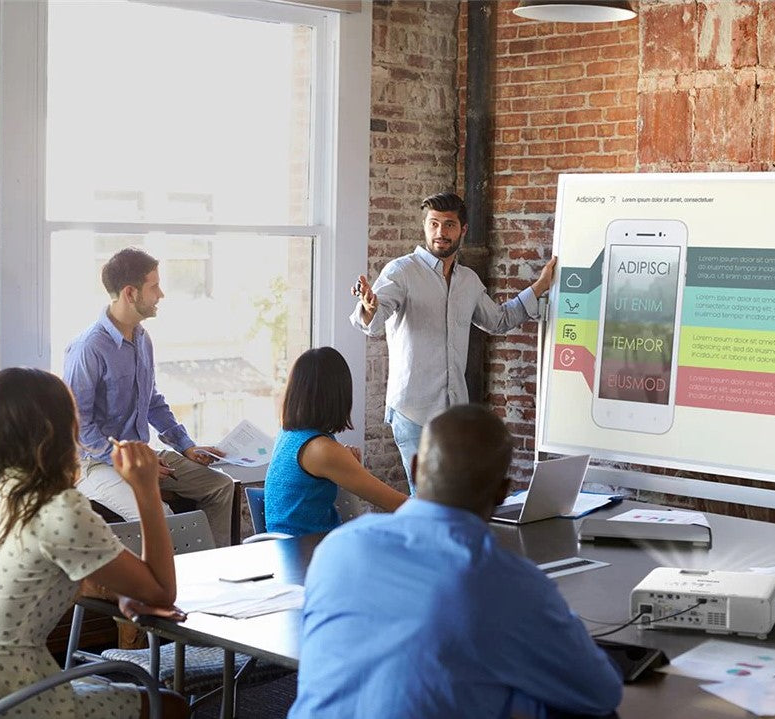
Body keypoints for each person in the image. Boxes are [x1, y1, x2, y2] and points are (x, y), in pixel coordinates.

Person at [289, 404, 623, 719]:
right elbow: (601, 692)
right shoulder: (507, 583)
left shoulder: (339, 547)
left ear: (416, 468)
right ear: (502, 492)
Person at [0, 367, 190, 719]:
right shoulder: (56, 508)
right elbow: (162, 592)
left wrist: (121, 593)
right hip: (7, 700)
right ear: (59, 431)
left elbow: (38, 575)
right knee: (171, 706)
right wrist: (145, 488)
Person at [351, 192, 557, 493]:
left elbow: (498, 321)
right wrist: (369, 308)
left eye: (449, 225)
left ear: (463, 229)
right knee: (427, 497)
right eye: (433, 224)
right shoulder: (402, 271)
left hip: (454, 412)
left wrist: (540, 286)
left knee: (455, 495)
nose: (440, 232)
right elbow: (375, 315)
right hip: (414, 411)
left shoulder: (468, 281)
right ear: (424, 226)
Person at [64, 247, 234, 546]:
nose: (161, 294)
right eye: (154, 286)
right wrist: (131, 462)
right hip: (95, 464)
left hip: (141, 452)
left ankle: (213, 564)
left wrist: (186, 445)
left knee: (221, 486)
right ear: (130, 293)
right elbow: (79, 426)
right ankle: (176, 576)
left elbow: (152, 401)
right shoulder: (88, 348)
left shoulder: (142, 338)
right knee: (163, 516)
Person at [265, 346, 407, 536]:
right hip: (306, 548)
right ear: (339, 394)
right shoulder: (323, 449)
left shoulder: (288, 435)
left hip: (282, 546)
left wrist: (347, 464)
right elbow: (395, 503)